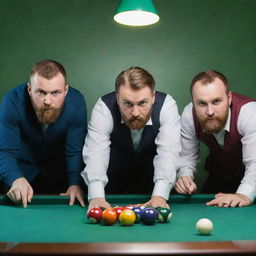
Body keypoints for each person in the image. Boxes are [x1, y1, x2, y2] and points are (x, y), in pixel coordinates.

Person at [81, 66, 180, 211]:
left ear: (153, 97)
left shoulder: (166, 106)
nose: (135, 113)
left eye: (142, 103)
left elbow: (168, 151)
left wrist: (159, 196)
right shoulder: (104, 108)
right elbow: (96, 152)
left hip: (151, 186)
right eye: (127, 103)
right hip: (111, 189)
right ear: (117, 98)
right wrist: (96, 197)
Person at [0, 60, 87, 208]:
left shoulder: (77, 102)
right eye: (40, 92)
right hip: (19, 175)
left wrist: (74, 183)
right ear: (29, 89)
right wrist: (15, 178)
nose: (47, 101)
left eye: (55, 93)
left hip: (58, 177)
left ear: (65, 91)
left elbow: (75, 151)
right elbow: (6, 152)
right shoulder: (12, 100)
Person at [175, 70, 256, 207]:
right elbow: (187, 157)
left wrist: (244, 194)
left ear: (229, 98)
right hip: (220, 175)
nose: (210, 112)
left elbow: (255, 162)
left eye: (216, 101)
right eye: (201, 103)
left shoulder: (249, 113)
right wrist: (185, 176)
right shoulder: (189, 115)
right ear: (193, 103)